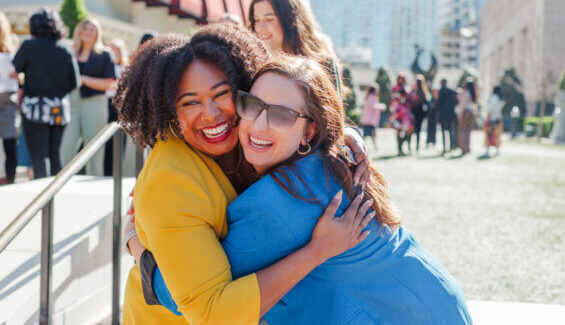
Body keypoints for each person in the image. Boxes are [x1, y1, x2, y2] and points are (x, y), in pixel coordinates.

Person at [145, 56, 473, 325]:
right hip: (436, 303)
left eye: (282, 116)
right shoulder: (328, 163)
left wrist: (139, 247)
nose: (259, 124)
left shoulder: (282, 202)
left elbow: (189, 294)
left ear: (309, 131)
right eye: (251, 105)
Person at [113, 24, 371, 325]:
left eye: (222, 94)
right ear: (170, 112)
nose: (211, 114)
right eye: (190, 102)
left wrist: (339, 136)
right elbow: (212, 313)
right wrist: (318, 251)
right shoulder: (170, 180)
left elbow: (293, 106)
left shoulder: (247, 130)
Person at [12, 8, 79, 179]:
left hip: (35, 108)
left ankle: (43, 200)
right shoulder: (65, 49)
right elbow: (75, 82)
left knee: (39, 156)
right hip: (59, 108)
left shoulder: (29, 46)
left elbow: (16, 67)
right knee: (55, 154)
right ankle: (55, 196)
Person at [248, 0, 343, 97]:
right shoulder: (251, 65)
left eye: (269, 19)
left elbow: (333, 113)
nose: (260, 27)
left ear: (290, 21)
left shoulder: (323, 65)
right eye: (256, 20)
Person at [60, 18, 115, 176]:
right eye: (85, 28)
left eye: (92, 29)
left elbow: (109, 83)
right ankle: (64, 179)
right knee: (67, 144)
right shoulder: (70, 52)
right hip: (73, 101)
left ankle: (93, 180)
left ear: (97, 33)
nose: (88, 32)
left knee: (93, 148)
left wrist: (83, 79)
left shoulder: (104, 54)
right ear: (79, 31)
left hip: (95, 102)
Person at [104, 38, 129, 176]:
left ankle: (117, 171)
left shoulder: (126, 68)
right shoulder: (105, 66)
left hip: (120, 106)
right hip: (106, 103)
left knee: (120, 139)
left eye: (115, 50)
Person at [0, 11, 18, 184]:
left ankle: (11, 180)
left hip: (8, 99)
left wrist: (17, 75)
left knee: (9, 143)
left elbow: (22, 76)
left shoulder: (11, 51)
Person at [389, 73, 414, 156]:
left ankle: (407, 145)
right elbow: (393, 99)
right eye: (400, 78)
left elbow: (410, 98)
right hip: (398, 113)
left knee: (410, 129)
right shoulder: (395, 88)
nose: (401, 80)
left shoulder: (407, 87)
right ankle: (400, 149)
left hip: (406, 113)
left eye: (403, 78)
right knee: (399, 130)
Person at [408, 74, 430, 152]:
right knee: (412, 129)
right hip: (413, 112)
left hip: (419, 113)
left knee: (418, 130)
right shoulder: (413, 91)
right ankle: (410, 146)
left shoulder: (423, 91)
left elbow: (427, 102)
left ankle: (417, 146)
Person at [482, 86, 505, 158]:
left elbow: (489, 108)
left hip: (492, 118)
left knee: (489, 134)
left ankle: (487, 151)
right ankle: (497, 150)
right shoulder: (500, 99)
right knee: (497, 134)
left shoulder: (493, 98)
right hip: (498, 118)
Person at [437, 78, 458, 154]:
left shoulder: (442, 90)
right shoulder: (451, 91)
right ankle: (451, 146)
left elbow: (438, 102)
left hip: (443, 114)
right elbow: (456, 96)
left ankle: (445, 147)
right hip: (451, 113)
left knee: (444, 131)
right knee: (450, 131)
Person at [457, 81, 477, 155]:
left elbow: (462, 104)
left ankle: (463, 148)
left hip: (466, 113)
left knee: (463, 130)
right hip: (471, 113)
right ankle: (467, 147)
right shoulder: (473, 93)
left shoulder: (466, 92)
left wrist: (460, 115)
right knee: (468, 131)